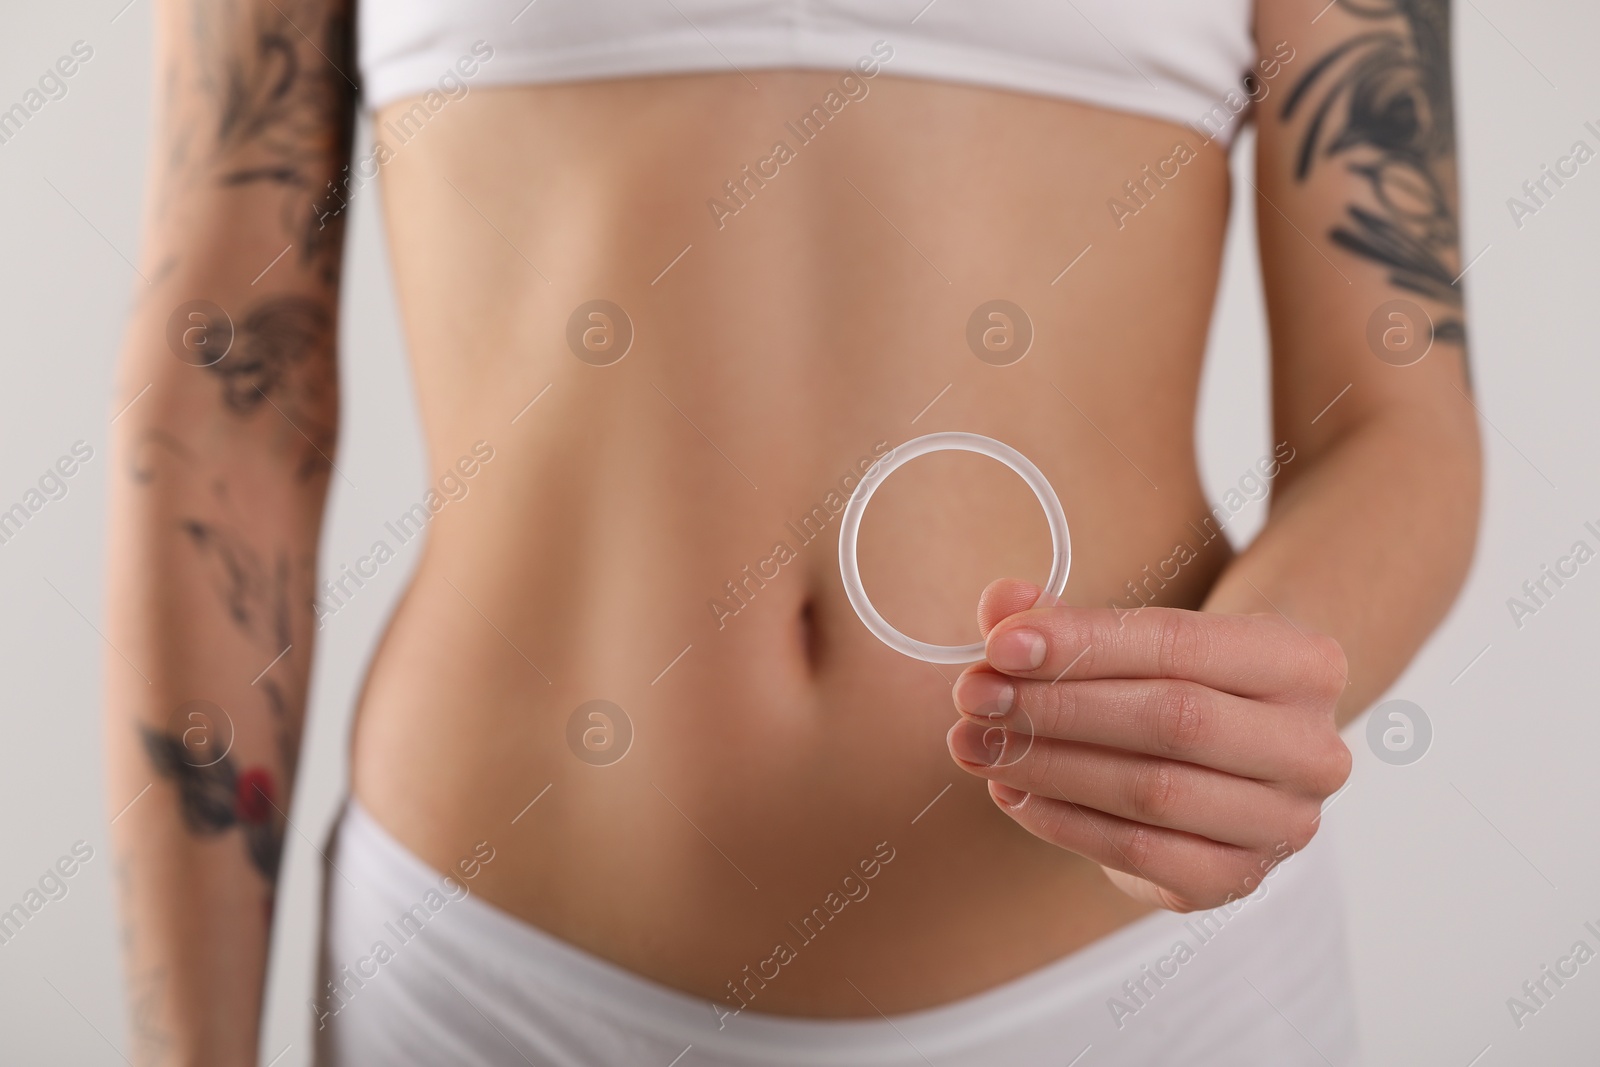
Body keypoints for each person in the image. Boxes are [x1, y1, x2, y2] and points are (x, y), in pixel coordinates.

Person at [105, 0, 1479, 1063]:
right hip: (491, 984)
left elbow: (1399, 425)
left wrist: (1242, 698)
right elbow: (227, 406)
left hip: (1141, 991)